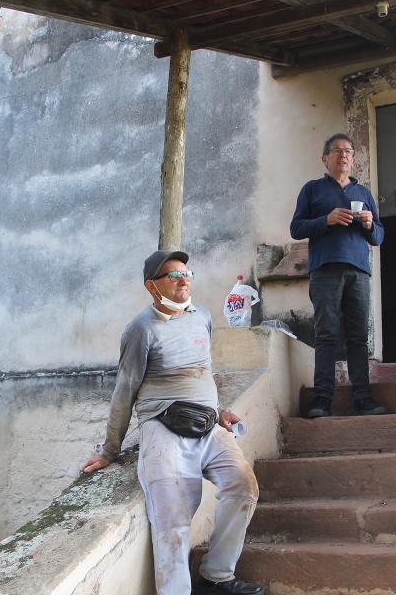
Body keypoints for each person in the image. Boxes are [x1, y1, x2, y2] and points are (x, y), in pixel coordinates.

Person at [81, 250, 263, 595]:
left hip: (208, 424)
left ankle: (216, 577)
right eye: (174, 276)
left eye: (187, 273)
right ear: (152, 286)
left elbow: (203, 372)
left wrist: (219, 409)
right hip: (163, 426)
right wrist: (110, 448)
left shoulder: (202, 317)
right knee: (173, 518)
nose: (184, 280)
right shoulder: (140, 329)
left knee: (243, 486)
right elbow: (124, 391)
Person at [289, 133, 386, 419]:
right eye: (337, 151)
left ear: (354, 159)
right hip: (325, 271)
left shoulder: (364, 194)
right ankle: (322, 400)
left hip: (359, 272)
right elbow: (296, 228)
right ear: (325, 158)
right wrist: (326, 220)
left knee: (359, 338)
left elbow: (379, 237)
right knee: (326, 335)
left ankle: (363, 400)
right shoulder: (313, 189)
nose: (343, 155)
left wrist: (369, 224)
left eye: (348, 151)